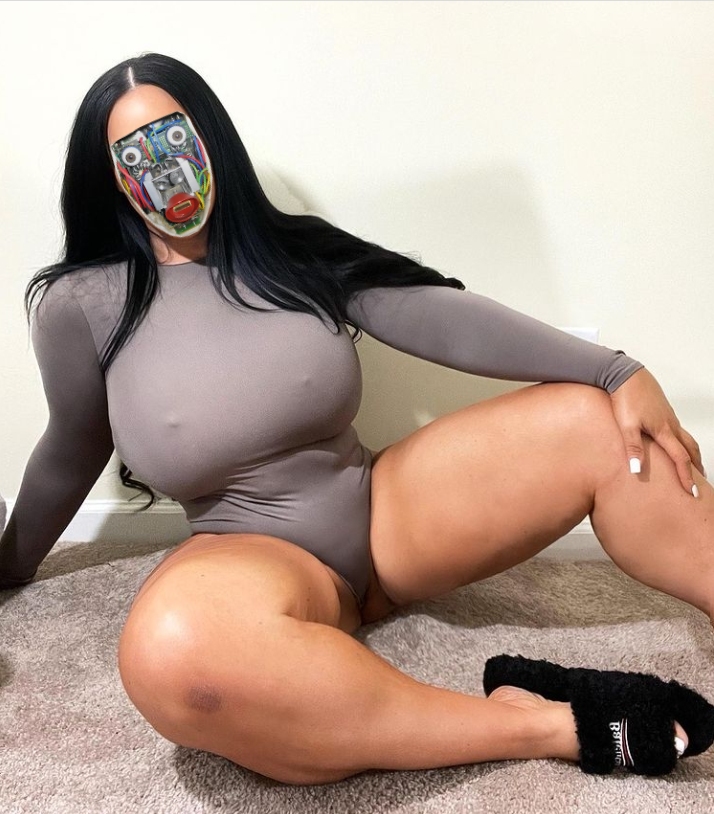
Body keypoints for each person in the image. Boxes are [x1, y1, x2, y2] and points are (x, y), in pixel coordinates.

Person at [1, 53, 712, 785]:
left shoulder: (287, 251)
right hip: (252, 554)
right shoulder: (82, 306)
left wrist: (617, 370)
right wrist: (11, 560)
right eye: (136, 155)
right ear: (110, 176)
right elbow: (71, 445)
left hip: (387, 516)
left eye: (175, 140)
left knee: (608, 424)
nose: (165, 171)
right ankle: (542, 723)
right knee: (174, 653)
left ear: (209, 138)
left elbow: (438, 318)